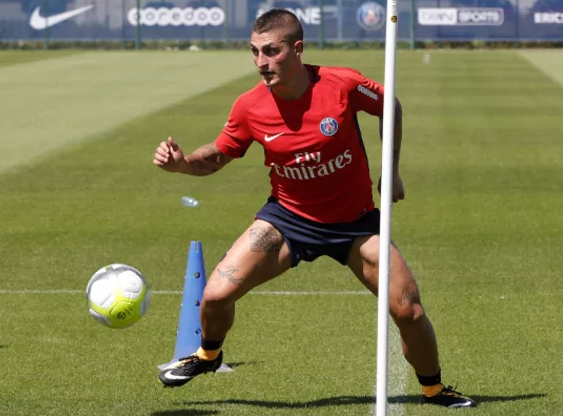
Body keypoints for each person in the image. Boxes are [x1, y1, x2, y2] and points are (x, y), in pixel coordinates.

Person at [152, 8, 477, 408]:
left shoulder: (341, 84)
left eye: (271, 51)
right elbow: (218, 155)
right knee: (216, 295)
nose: (260, 62)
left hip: (355, 223)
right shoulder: (250, 106)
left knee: (408, 310)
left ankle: (434, 389)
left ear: (298, 49)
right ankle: (207, 356)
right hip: (288, 220)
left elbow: (389, 105)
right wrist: (181, 164)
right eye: (254, 52)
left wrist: (390, 169)